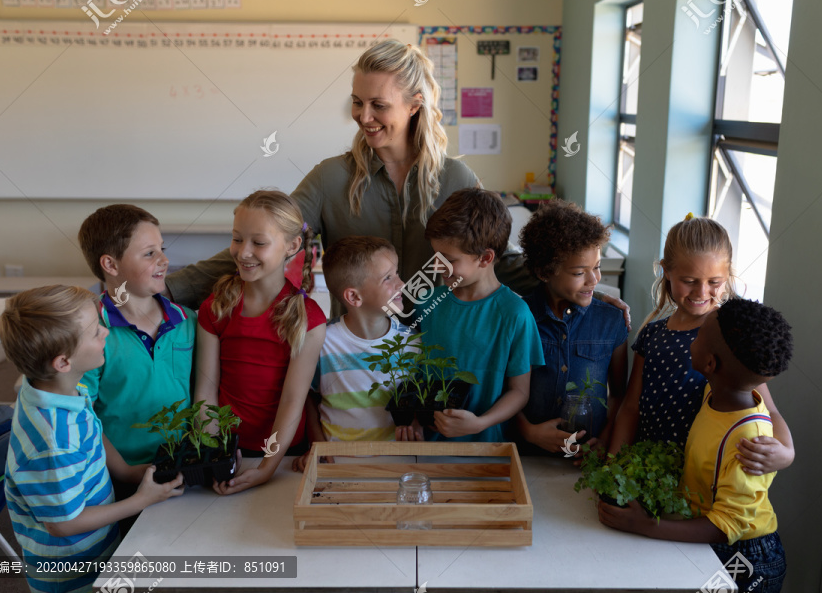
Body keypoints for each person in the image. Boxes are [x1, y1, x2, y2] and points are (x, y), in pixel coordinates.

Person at [163, 40, 631, 325]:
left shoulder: (457, 178)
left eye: (378, 105)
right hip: (358, 350)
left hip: (444, 348)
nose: (363, 117)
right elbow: (264, 243)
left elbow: (500, 263)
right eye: (356, 101)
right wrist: (170, 288)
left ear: (413, 105)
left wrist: (591, 291)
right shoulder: (330, 178)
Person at [599, 298, 792, 593]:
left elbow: (726, 525)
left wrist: (645, 525)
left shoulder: (748, 442)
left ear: (710, 363)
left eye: (699, 336)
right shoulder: (715, 393)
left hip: (745, 557)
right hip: (708, 539)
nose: (692, 339)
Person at [0, 285, 183, 593]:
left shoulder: (64, 389)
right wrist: (141, 500)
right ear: (63, 362)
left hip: (97, 548)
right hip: (70, 575)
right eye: (95, 331)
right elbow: (63, 524)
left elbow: (94, 432)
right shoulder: (52, 441)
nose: (106, 333)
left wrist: (126, 471)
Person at [608, 214, 794, 476]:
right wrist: (613, 465)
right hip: (645, 469)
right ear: (666, 271)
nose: (702, 292)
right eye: (690, 281)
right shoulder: (651, 335)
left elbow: (769, 409)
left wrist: (786, 452)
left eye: (714, 283)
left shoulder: (727, 337)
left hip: (700, 477)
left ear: (727, 276)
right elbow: (630, 407)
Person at [195, 190, 326, 495]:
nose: (243, 253)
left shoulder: (308, 318)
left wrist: (267, 468)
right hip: (229, 451)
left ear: (292, 246)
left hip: (283, 457)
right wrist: (215, 455)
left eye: (259, 242)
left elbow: (294, 399)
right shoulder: (215, 308)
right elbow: (205, 390)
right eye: (237, 239)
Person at [419, 188, 545, 442]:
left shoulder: (515, 314)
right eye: (435, 255)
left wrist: (480, 423)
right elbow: (413, 374)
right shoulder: (427, 304)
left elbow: (519, 392)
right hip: (428, 450)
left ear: (485, 258)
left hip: (487, 450)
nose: (436, 266)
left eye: (448, 259)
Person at [77, 205, 196, 467]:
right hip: (118, 476)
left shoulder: (188, 321)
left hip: (186, 465)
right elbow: (81, 419)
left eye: (162, 250)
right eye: (149, 254)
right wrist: (127, 474)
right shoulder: (88, 333)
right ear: (110, 264)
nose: (164, 261)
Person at [293, 236, 422, 472]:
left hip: (398, 466)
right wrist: (316, 444)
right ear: (354, 297)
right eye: (388, 278)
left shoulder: (412, 343)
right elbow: (308, 397)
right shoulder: (321, 342)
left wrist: (415, 423)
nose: (402, 284)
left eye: (397, 273)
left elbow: (418, 399)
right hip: (335, 466)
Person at [514, 201, 628, 455]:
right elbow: (503, 392)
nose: (594, 279)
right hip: (528, 455)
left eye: (597, 267)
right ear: (545, 272)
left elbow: (619, 395)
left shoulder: (612, 321)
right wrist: (529, 432)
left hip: (587, 462)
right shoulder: (520, 318)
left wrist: (605, 442)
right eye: (579, 272)